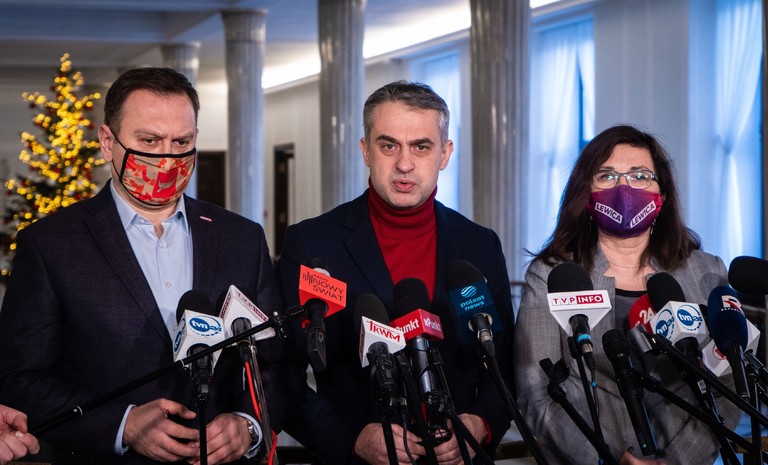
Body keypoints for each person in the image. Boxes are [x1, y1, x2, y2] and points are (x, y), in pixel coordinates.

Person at [0, 68, 286, 465]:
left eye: (181, 142)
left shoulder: (242, 238)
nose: (167, 158)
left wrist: (248, 424)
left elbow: (275, 364)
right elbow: (20, 378)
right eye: (149, 141)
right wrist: (123, 425)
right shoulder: (50, 244)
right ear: (107, 142)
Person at [275, 80, 514, 465]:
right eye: (389, 146)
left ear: (445, 154)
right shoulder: (312, 244)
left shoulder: (480, 245)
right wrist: (352, 439)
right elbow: (281, 375)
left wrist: (481, 424)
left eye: (421, 146)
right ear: (365, 150)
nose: (404, 164)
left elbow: (505, 364)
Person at [513, 124, 740, 465]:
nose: (624, 188)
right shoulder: (552, 274)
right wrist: (610, 458)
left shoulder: (706, 271)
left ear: (662, 194)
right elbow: (536, 392)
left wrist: (675, 462)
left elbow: (728, 383)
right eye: (606, 176)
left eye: (640, 176)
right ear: (585, 193)